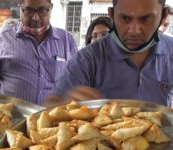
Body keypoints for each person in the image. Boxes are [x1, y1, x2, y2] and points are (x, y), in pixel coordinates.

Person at [45, 0, 173, 108]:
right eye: (125, 18)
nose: (134, 31)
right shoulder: (88, 58)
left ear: (163, 15)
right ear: (111, 15)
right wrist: (67, 103)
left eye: (146, 19)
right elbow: (50, 105)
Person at [0, 0, 78, 105]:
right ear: (20, 7)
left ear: (51, 8)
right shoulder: (2, 38)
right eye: (29, 10)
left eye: (42, 10)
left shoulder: (66, 40)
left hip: (53, 119)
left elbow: (74, 81)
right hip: (14, 119)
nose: (35, 18)